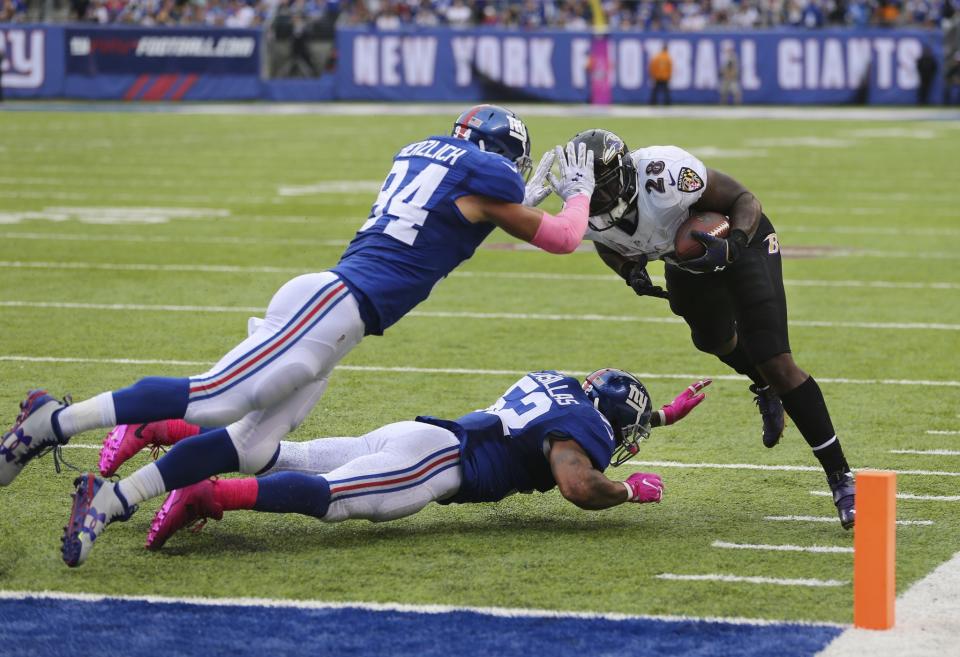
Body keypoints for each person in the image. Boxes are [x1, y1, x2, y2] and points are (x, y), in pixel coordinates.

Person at [0, 104, 597, 567]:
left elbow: (472, 215)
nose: (515, 175)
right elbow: (565, 237)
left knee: (250, 445)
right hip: (334, 303)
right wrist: (579, 190)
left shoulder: (436, 160)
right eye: (513, 164)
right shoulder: (481, 172)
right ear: (495, 151)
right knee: (216, 397)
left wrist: (535, 197)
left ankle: (111, 499)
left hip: (335, 309)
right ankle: (51, 421)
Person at [545, 129, 856, 529]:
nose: (596, 201)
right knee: (713, 339)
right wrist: (628, 270)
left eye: (601, 190)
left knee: (775, 359)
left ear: (622, 175)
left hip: (739, 240)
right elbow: (605, 241)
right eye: (588, 192)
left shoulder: (664, 174)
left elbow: (744, 200)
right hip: (685, 260)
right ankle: (762, 387)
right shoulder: (583, 208)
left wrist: (735, 244)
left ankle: (841, 478)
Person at [126, 370, 710, 550]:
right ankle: (209, 495)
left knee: (283, 456)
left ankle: (158, 427)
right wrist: (630, 490)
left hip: (417, 433)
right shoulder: (585, 430)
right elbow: (578, 484)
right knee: (329, 499)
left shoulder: (563, 388)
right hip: (439, 466)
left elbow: (569, 424)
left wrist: (661, 414)